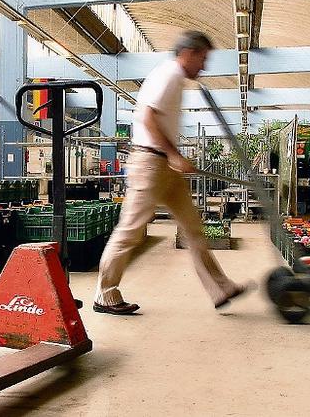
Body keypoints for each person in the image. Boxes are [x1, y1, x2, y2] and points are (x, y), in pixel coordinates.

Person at [93, 31, 254, 316]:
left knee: (193, 228)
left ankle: (221, 288)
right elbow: (148, 117)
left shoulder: (177, 80)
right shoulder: (167, 75)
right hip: (150, 163)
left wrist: (173, 157)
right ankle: (105, 294)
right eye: (203, 58)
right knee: (130, 230)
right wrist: (173, 155)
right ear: (188, 53)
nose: (204, 66)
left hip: (164, 165)